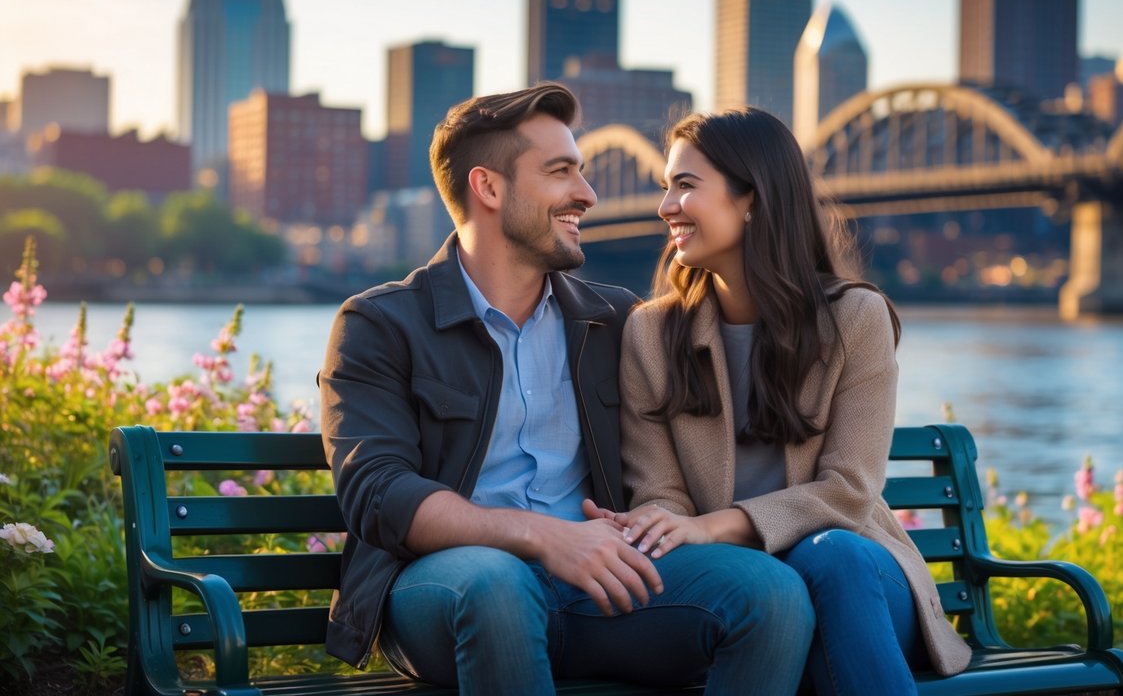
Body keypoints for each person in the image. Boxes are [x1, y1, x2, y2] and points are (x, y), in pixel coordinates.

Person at [318, 83, 812, 696]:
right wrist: (545, 537)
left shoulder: (618, 321)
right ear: (489, 188)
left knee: (772, 593)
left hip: (600, 586)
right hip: (442, 589)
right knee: (498, 586)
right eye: (561, 172)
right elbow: (378, 492)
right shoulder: (381, 324)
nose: (588, 193)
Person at [609, 108, 973, 695]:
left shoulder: (855, 317)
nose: (665, 207)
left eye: (685, 185)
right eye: (665, 187)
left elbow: (848, 492)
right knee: (777, 608)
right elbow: (661, 492)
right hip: (741, 593)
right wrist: (690, 533)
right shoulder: (650, 334)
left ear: (751, 198)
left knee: (830, 558)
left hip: (861, 580)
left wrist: (714, 528)